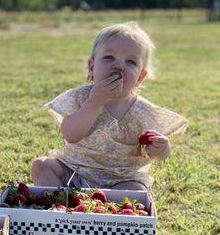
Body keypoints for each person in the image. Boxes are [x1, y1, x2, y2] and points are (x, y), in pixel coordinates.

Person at [31, 21, 188, 191]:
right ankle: (62, 202)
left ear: (140, 78)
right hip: (74, 172)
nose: (118, 66)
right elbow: (70, 135)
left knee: (138, 190)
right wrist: (94, 103)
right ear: (92, 67)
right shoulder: (81, 98)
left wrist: (162, 149)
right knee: (41, 166)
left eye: (131, 62)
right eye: (109, 57)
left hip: (121, 181)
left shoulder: (144, 112)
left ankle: (109, 208)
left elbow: (155, 153)